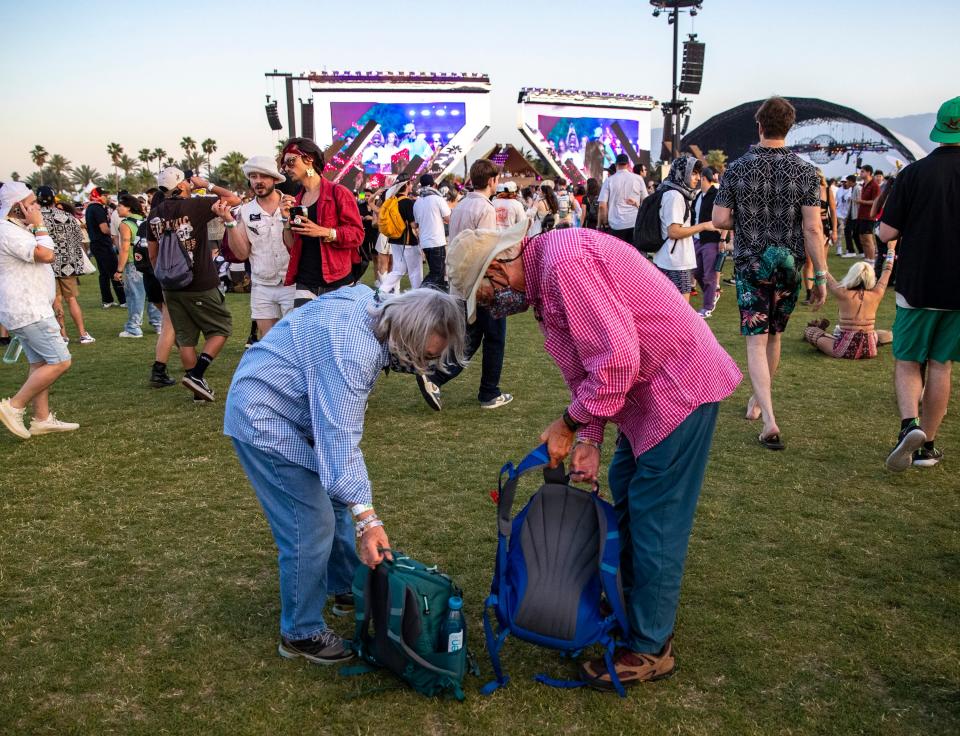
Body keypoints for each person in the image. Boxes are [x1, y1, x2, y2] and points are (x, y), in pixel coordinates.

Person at [444, 220, 741, 689]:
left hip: (679, 389)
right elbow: (594, 366)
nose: (495, 307)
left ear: (498, 270)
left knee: (655, 520)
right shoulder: (549, 273)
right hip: (650, 396)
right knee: (627, 497)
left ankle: (649, 647)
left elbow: (619, 360)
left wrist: (568, 424)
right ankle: (625, 605)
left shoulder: (565, 265)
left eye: (485, 296)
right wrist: (590, 440)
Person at [223, 286, 466, 664]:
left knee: (336, 502)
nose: (422, 365)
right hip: (263, 415)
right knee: (310, 523)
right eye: (424, 355)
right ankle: (300, 633)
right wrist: (370, 521)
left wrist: (356, 508)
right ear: (407, 333)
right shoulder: (352, 350)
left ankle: (342, 585)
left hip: (290, 406)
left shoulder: (373, 305)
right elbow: (339, 439)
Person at [712, 96, 827, 450]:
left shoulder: (737, 169)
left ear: (759, 126)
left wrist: (744, 218)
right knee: (774, 337)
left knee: (756, 340)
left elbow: (719, 220)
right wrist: (820, 275)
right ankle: (759, 403)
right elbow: (812, 229)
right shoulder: (807, 172)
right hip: (790, 265)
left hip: (751, 264)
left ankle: (769, 418)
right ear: (788, 127)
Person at [878, 96, 960, 471]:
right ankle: (927, 445)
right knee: (941, 364)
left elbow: (886, 232)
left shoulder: (913, 174)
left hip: (918, 282)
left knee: (909, 359)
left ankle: (909, 425)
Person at [415, 159, 513, 411]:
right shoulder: (485, 209)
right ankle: (489, 392)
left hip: (461, 281)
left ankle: (435, 378)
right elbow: (486, 248)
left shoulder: (460, 206)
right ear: (492, 181)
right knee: (495, 337)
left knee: (472, 337)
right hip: (481, 282)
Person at [146, 167, 240, 401]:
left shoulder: (155, 213)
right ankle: (197, 375)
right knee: (221, 328)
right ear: (181, 185)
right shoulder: (195, 206)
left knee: (185, 336)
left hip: (169, 284)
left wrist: (164, 277)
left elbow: (153, 254)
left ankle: (197, 387)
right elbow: (233, 199)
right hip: (199, 281)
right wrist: (206, 185)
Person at [0, 182, 79, 438]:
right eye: (31, 203)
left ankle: (41, 418)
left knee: (41, 362)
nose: (37, 207)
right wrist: (40, 225)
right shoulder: (6, 230)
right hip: (27, 309)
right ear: (17, 207)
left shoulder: (17, 229)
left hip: (32, 306)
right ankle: (14, 406)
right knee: (61, 361)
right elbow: (45, 254)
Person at [212, 156, 293, 338]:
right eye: (253, 176)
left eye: (263, 176)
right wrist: (229, 223)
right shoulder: (245, 211)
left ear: (274, 179)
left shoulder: (291, 204)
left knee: (295, 338)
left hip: (292, 282)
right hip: (262, 284)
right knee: (268, 342)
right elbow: (241, 254)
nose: (258, 181)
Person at [278, 138, 364, 307]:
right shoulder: (296, 200)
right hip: (305, 280)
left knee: (337, 333)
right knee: (305, 332)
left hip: (337, 280)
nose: (287, 168)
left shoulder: (338, 192)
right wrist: (285, 221)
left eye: (290, 161)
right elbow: (292, 246)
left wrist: (324, 231)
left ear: (309, 159)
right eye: (284, 165)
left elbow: (357, 234)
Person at [653, 157, 717, 303]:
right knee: (681, 313)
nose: (697, 178)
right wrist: (704, 226)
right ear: (682, 173)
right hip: (675, 262)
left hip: (673, 259)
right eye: (693, 173)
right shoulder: (675, 196)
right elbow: (674, 232)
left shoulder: (676, 193)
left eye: (698, 173)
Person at [36, 187, 94, 344]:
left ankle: (63, 336)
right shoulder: (67, 216)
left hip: (46, 264)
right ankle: (82, 334)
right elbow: (77, 239)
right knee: (72, 299)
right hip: (68, 264)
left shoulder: (36, 219)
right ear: (54, 198)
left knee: (56, 301)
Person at [802, 260, 893, 358]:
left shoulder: (841, 292)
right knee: (880, 333)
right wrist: (891, 250)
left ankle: (824, 331)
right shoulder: (877, 293)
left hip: (844, 349)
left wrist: (818, 250)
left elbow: (823, 270)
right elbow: (887, 270)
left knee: (810, 331)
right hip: (870, 350)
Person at [115, 194, 154, 338]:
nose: (117, 208)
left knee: (135, 295)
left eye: (120, 206)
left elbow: (124, 248)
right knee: (152, 293)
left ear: (128, 208)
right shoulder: (145, 220)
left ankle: (133, 327)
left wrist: (119, 269)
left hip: (134, 262)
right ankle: (158, 324)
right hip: (149, 260)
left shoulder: (125, 224)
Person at [85, 186, 126, 308]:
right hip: (103, 244)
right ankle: (123, 300)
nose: (107, 197)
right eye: (104, 195)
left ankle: (107, 300)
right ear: (97, 196)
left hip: (96, 244)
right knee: (114, 271)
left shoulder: (90, 208)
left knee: (103, 274)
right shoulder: (97, 208)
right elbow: (104, 228)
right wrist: (115, 233)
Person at [377, 179, 421, 293]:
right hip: (408, 241)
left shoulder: (393, 200)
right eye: (410, 183)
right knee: (415, 271)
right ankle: (417, 296)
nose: (411, 186)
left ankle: (382, 291)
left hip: (394, 240)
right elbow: (413, 224)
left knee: (399, 269)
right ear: (406, 185)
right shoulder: (407, 202)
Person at [802, 170, 837, 304]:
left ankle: (819, 290)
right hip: (809, 226)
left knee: (822, 262)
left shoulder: (827, 191)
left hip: (824, 227)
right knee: (808, 262)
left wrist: (834, 230)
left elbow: (833, 211)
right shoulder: (804, 190)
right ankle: (809, 292)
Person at [691, 167, 723, 317]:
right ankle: (712, 294)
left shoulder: (716, 195)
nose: (696, 179)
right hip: (696, 239)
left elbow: (726, 216)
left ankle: (707, 307)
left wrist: (723, 238)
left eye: (698, 176)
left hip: (711, 240)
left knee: (709, 275)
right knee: (696, 272)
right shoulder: (698, 196)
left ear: (704, 178)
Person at [412, 173, 451, 289]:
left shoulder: (417, 202)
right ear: (434, 185)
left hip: (425, 242)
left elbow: (417, 223)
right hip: (436, 241)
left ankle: (438, 298)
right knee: (437, 273)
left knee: (438, 274)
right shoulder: (438, 199)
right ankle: (419, 293)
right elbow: (449, 218)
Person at [598, 153, 647, 242]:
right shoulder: (638, 179)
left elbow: (602, 205)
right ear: (628, 165)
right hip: (634, 223)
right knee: (634, 254)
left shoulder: (609, 181)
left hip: (616, 225)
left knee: (618, 254)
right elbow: (646, 201)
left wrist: (605, 222)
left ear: (616, 165)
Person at [853, 164, 879, 262]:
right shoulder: (864, 184)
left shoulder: (874, 185)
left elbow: (875, 201)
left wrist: (861, 201)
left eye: (863, 171)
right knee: (862, 239)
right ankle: (867, 259)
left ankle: (872, 261)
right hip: (861, 215)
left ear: (868, 172)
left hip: (869, 216)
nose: (860, 173)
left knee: (868, 240)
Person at [835, 175, 854, 256]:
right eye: (842, 182)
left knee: (848, 232)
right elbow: (836, 201)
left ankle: (848, 249)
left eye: (845, 182)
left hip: (848, 214)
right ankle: (839, 248)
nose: (843, 183)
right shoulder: (839, 190)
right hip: (839, 213)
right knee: (841, 230)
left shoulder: (851, 190)